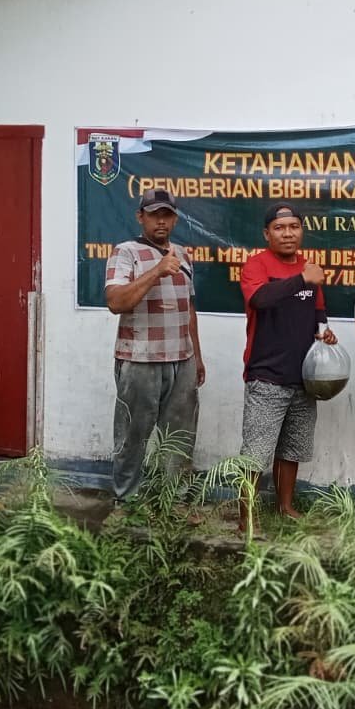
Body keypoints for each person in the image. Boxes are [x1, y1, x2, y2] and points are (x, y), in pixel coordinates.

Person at [237, 203, 338, 533]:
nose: (288, 233)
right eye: (280, 228)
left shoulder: (309, 268)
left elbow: (319, 313)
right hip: (266, 375)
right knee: (256, 452)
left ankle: (285, 506)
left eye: (294, 226)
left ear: (301, 231)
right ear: (267, 234)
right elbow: (259, 299)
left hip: (304, 378)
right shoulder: (256, 265)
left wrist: (325, 333)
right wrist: (301, 279)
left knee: (292, 448)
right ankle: (246, 519)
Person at [104, 189, 205, 502]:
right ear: (140, 217)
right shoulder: (125, 252)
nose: (161, 221)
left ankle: (175, 500)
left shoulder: (183, 255)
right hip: (139, 360)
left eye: (167, 215)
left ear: (175, 219)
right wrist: (157, 270)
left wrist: (197, 357)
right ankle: (126, 499)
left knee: (181, 437)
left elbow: (189, 308)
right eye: (154, 215)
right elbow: (116, 302)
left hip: (182, 360)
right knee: (132, 436)